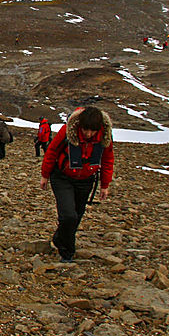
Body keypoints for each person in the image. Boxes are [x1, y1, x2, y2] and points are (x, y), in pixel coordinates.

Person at [40, 106, 114, 263]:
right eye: (85, 130)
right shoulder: (68, 131)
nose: (88, 134)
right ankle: (67, 252)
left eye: (92, 131)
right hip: (62, 177)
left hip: (86, 180)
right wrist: (45, 175)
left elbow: (107, 159)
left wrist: (105, 185)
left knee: (77, 215)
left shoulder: (105, 136)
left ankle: (59, 238)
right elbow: (52, 151)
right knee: (68, 215)